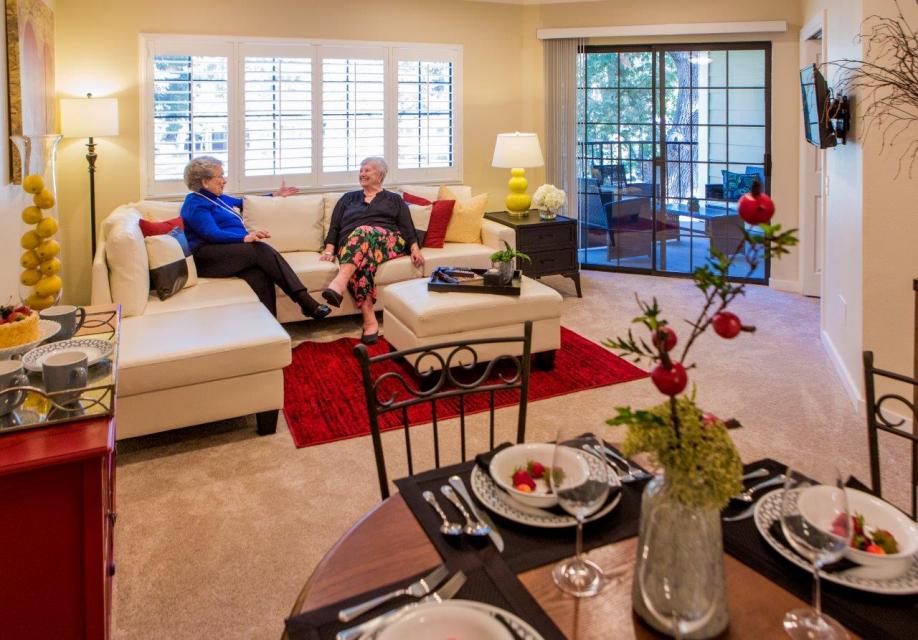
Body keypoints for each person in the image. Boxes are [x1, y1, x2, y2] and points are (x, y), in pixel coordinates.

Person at [180, 156, 331, 319]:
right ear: (205, 182)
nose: (224, 181)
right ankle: (305, 301)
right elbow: (211, 233)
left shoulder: (217, 198)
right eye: (220, 176)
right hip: (206, 258)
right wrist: (244, 238)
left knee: (260, 275)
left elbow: (243, 203)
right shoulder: (195, 203)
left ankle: (271, 329)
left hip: (225, 252)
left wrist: (275, 195)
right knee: (260, 250)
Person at [320, 157, 424, 344]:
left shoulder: (394, 199)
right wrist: (329, 250)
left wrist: (415, 248)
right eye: (361, 170)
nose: (362, 173)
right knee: (362, 259)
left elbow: (407, 227)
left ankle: (339, 283)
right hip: (352, 245)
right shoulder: (347, 199)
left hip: (387, 240)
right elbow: (334, 228)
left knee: (364, 231)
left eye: (367, 170)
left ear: (380, 175)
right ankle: (370, 320)